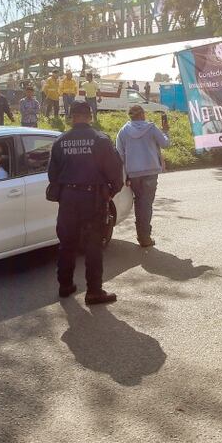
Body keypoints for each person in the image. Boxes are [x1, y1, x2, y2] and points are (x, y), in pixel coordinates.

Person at [47, 101, 124, 305]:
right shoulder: (101, 140)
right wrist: (111, 192)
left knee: (67, 244)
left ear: (71, 117)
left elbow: (52, 174)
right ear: (90, 116)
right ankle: (94, 292)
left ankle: (65, 286)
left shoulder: (60, 141)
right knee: (93, 245)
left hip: (68, 199)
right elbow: (115, 172)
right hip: (93, 199)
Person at [116, 105, 170, 248]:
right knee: (146, 204)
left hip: (133, 173)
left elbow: (119, 155)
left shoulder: (123, 131)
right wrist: (165, 131)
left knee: (140, 203)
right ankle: (144, 236)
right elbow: (165, 144)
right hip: (151, 172)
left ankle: (142, 233)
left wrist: (124, 174)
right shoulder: (151, 128)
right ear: (142, 114)